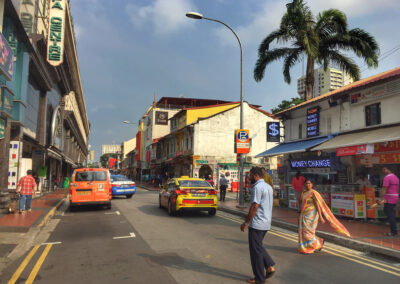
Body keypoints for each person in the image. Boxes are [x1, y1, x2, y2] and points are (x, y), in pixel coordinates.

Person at [240, 167, 275, 283]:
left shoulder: (257, 187)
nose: (249, 178)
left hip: (257, 223)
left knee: (255, 252)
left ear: (255, 176)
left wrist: (246, 222)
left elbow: (255, 206)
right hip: (266, 222)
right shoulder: (268, 187)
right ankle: (269, 266)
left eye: (250, 175)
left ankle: (259, 278)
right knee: (258, 246)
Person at [298, 179, 351, 254]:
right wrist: (302, 192)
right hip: (304, 214)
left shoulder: (314, 193)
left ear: (312, 184)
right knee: (304, 232)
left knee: (308, 233)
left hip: (312, 214)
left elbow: (317, 205)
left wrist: (321, 216)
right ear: (304, 185)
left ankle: (319, 244)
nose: (308, 185)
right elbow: (300, 201)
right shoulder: (304, 193)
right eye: (306, 183)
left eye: (309, 183)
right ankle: (306, 247)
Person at [378, 167, 399, 236]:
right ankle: (393, 226)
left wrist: (380, 198)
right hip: (395, 197)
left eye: (384, 169)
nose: (383, 171)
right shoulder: (396, 177)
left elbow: (384, 189)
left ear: (387, 169)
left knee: (390, 214)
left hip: (389, 198)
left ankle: (394, 231)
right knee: (387, 211)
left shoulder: (387, 177)